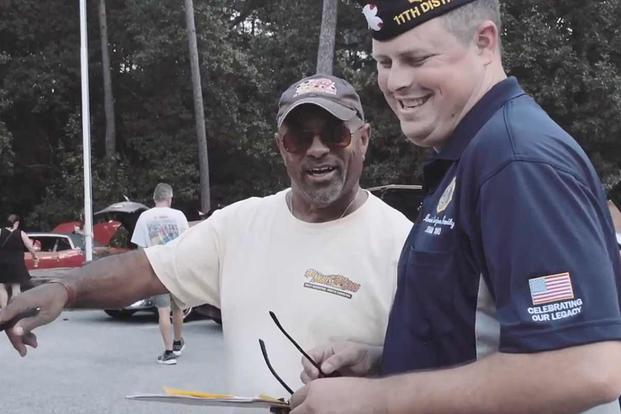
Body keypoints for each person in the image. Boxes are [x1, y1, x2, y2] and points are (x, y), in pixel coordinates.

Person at [291, 1, 621, 414]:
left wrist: (376, 400)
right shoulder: (476, 153)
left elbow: (585, 368)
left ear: (484, 43)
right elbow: (480, 335)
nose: (395, 81)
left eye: (416, 58)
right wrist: (384, 361)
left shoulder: (515, 161)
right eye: (385, 61)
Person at [0, 74, 412, 404]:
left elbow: (447, 364)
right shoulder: (240, 224)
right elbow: (146, 269)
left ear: (364, 138)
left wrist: (376, 368)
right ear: (281, 148)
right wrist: (65, 288)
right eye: (299, 138)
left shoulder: (404, 243)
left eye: (335, 133)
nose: (317, 149)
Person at [130, 183, 190, 365]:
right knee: (178, 308)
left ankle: (168, 352)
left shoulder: (144, 217)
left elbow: (140, 247)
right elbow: (187, 243)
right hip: (176, 268)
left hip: (157, 269)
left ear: (154, 199)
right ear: (170, 198)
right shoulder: (179, 216)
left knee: (163, 311)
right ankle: (178, 342)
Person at [0, 214, 39, 309]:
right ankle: (13, 310)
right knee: (16, 287)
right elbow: (30, 247)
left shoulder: (0, 231)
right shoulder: (21, 233)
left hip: (2, 263)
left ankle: (4, 309)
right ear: (16, 223)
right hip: (17, 264)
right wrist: (35, 256)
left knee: (1, 287)